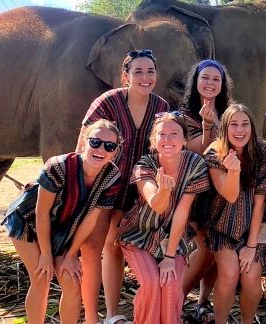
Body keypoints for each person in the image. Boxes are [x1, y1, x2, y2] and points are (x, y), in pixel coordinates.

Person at [76, 49, 169, 324]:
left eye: (150, 71)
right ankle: (107, 313)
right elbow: (85, 141)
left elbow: (170, 143)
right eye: (138, 71)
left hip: (141, 188)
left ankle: (116, 310)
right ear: (125, 75)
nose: (145, 77)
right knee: (103, 246)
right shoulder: (109, 101)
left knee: (119, 244)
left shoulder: (161, 107)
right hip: (105, 184)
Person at [2, 119, 123, 324]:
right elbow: (41, 213)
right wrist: (47, 255)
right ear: (84, 142)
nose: (101, 149)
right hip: (28, 221)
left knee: (72, 282)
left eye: (109, 146)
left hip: (62, 228)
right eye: (95, 142)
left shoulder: (112, 176)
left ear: (115, 152)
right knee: (41, 278)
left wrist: (70, 254)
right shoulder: (58, 166)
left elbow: (89, 221)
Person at [119, 111, 210, 323]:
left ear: (185, 139)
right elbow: (156, 205)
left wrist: (169, 257)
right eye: (162, 134)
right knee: (151, 284)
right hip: (139, 235)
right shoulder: (145, 165)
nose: (167, 139)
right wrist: (164, 191)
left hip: (174, 239)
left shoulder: (195, 165)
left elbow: (182, 211)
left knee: (170, 286)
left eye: (174, 134)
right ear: (153, 140)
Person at [205, 103, 266, 324]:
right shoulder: (214, 153)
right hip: (222, 225)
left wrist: (251, 245)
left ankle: (247, 321)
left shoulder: (264, 152)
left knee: (252, 276)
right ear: (224, 128)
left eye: (245, 124)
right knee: (229, 273)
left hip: (256, 227)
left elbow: (260, 202)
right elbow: (230, 195)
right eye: (233, 124)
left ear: (252, 128)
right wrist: (234, 170)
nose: (240, 130)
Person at [179, 59, 233, 324]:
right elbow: (193, 151)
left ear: (222, 85)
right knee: (204, 249)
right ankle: (175, 300)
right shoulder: (182, 114)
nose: (210, 83)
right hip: (196, 190)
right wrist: (208, 127)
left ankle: (202, 302)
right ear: (196, 81)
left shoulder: (230, 114)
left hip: (223, 190)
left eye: (216, 79)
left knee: (215, 246)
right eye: (205, 78)